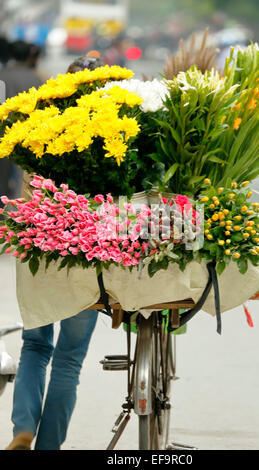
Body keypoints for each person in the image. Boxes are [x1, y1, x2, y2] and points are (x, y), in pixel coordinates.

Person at [5, 52, 103, 451]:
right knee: (68, 359)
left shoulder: (37, 129)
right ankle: (49, 446)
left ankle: (23, 428)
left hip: (39, 247)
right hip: (87, 252)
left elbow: (26, 188)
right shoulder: (112, 132)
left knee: (35, 346)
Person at [0, 41, 44, 207]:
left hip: (1, 133)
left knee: (1, 174)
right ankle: (15, 210)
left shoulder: (2, 74)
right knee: (22, 175)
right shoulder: (35, 78)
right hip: (25, 134)